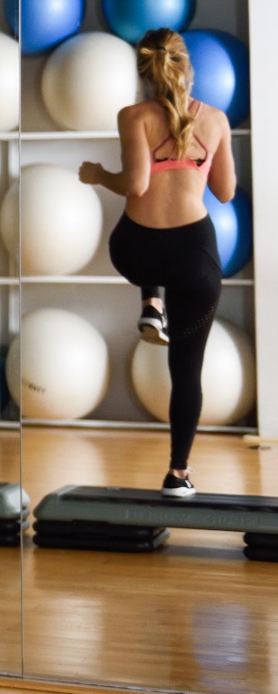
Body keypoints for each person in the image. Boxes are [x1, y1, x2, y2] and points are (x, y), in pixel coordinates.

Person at [78, 28, 234, 496]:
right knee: (186, 371)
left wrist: (98, 175)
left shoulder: (133, 116)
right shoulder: (217, 119)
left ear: (143, 73)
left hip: (136, 251)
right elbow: (225, 192)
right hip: (195, 259)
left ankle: (151, 300)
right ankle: (178, 474)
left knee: (144, 247)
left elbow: (137, 186)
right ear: (187, 67)